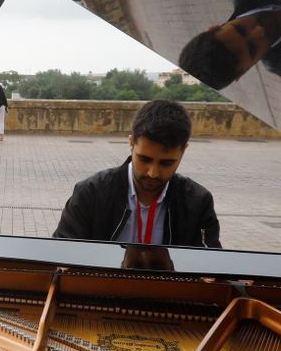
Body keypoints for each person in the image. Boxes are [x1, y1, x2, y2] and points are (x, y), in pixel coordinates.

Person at [53, 99, 222, 248]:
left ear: (183, 151)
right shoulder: (90, 193)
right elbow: (61, 253)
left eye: (166, 163)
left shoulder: (198, 203)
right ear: (131, 143)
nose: (153, 173)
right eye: (145, 159)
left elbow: (210, 266)